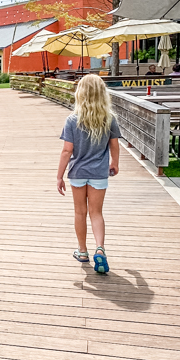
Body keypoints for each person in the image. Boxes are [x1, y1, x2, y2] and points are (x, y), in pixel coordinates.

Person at [57, 74, 121, 274]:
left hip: (78, 172)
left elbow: (67, 151)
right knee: (96, 213)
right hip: (99, 173)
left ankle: (82, 251)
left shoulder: (72, 120)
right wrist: (114, 163)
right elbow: (114, 145)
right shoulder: (109, 119)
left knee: (80, 212)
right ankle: (100, 249)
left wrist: (59, 176)